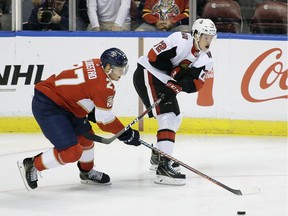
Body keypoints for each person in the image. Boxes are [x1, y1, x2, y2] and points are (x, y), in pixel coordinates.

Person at [17, 48, 141, 190]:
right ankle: (33, 164)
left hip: (65, 104)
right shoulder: (105, 87)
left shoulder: (95, 62)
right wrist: (125, 134)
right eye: (119, 69)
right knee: (71, 152)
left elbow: (83, 88)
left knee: (87, 139)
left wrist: (92, 110)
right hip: (49, 106)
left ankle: (86, 172)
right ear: (108, 67)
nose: (122, 72)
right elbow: (105, 122)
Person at [133, 18, 217, 185]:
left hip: (164, 81)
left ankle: (158, 154)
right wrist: (174, 75)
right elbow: (152, 56)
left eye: (211, 37)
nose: (208, 41)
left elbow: (196, 83)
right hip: (148, 74)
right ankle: (163, 167)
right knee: (169, 117)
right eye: (205, 37)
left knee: (175, 118)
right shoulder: (179, 39)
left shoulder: (206, 58)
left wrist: (178, 83)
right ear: (195, 34)